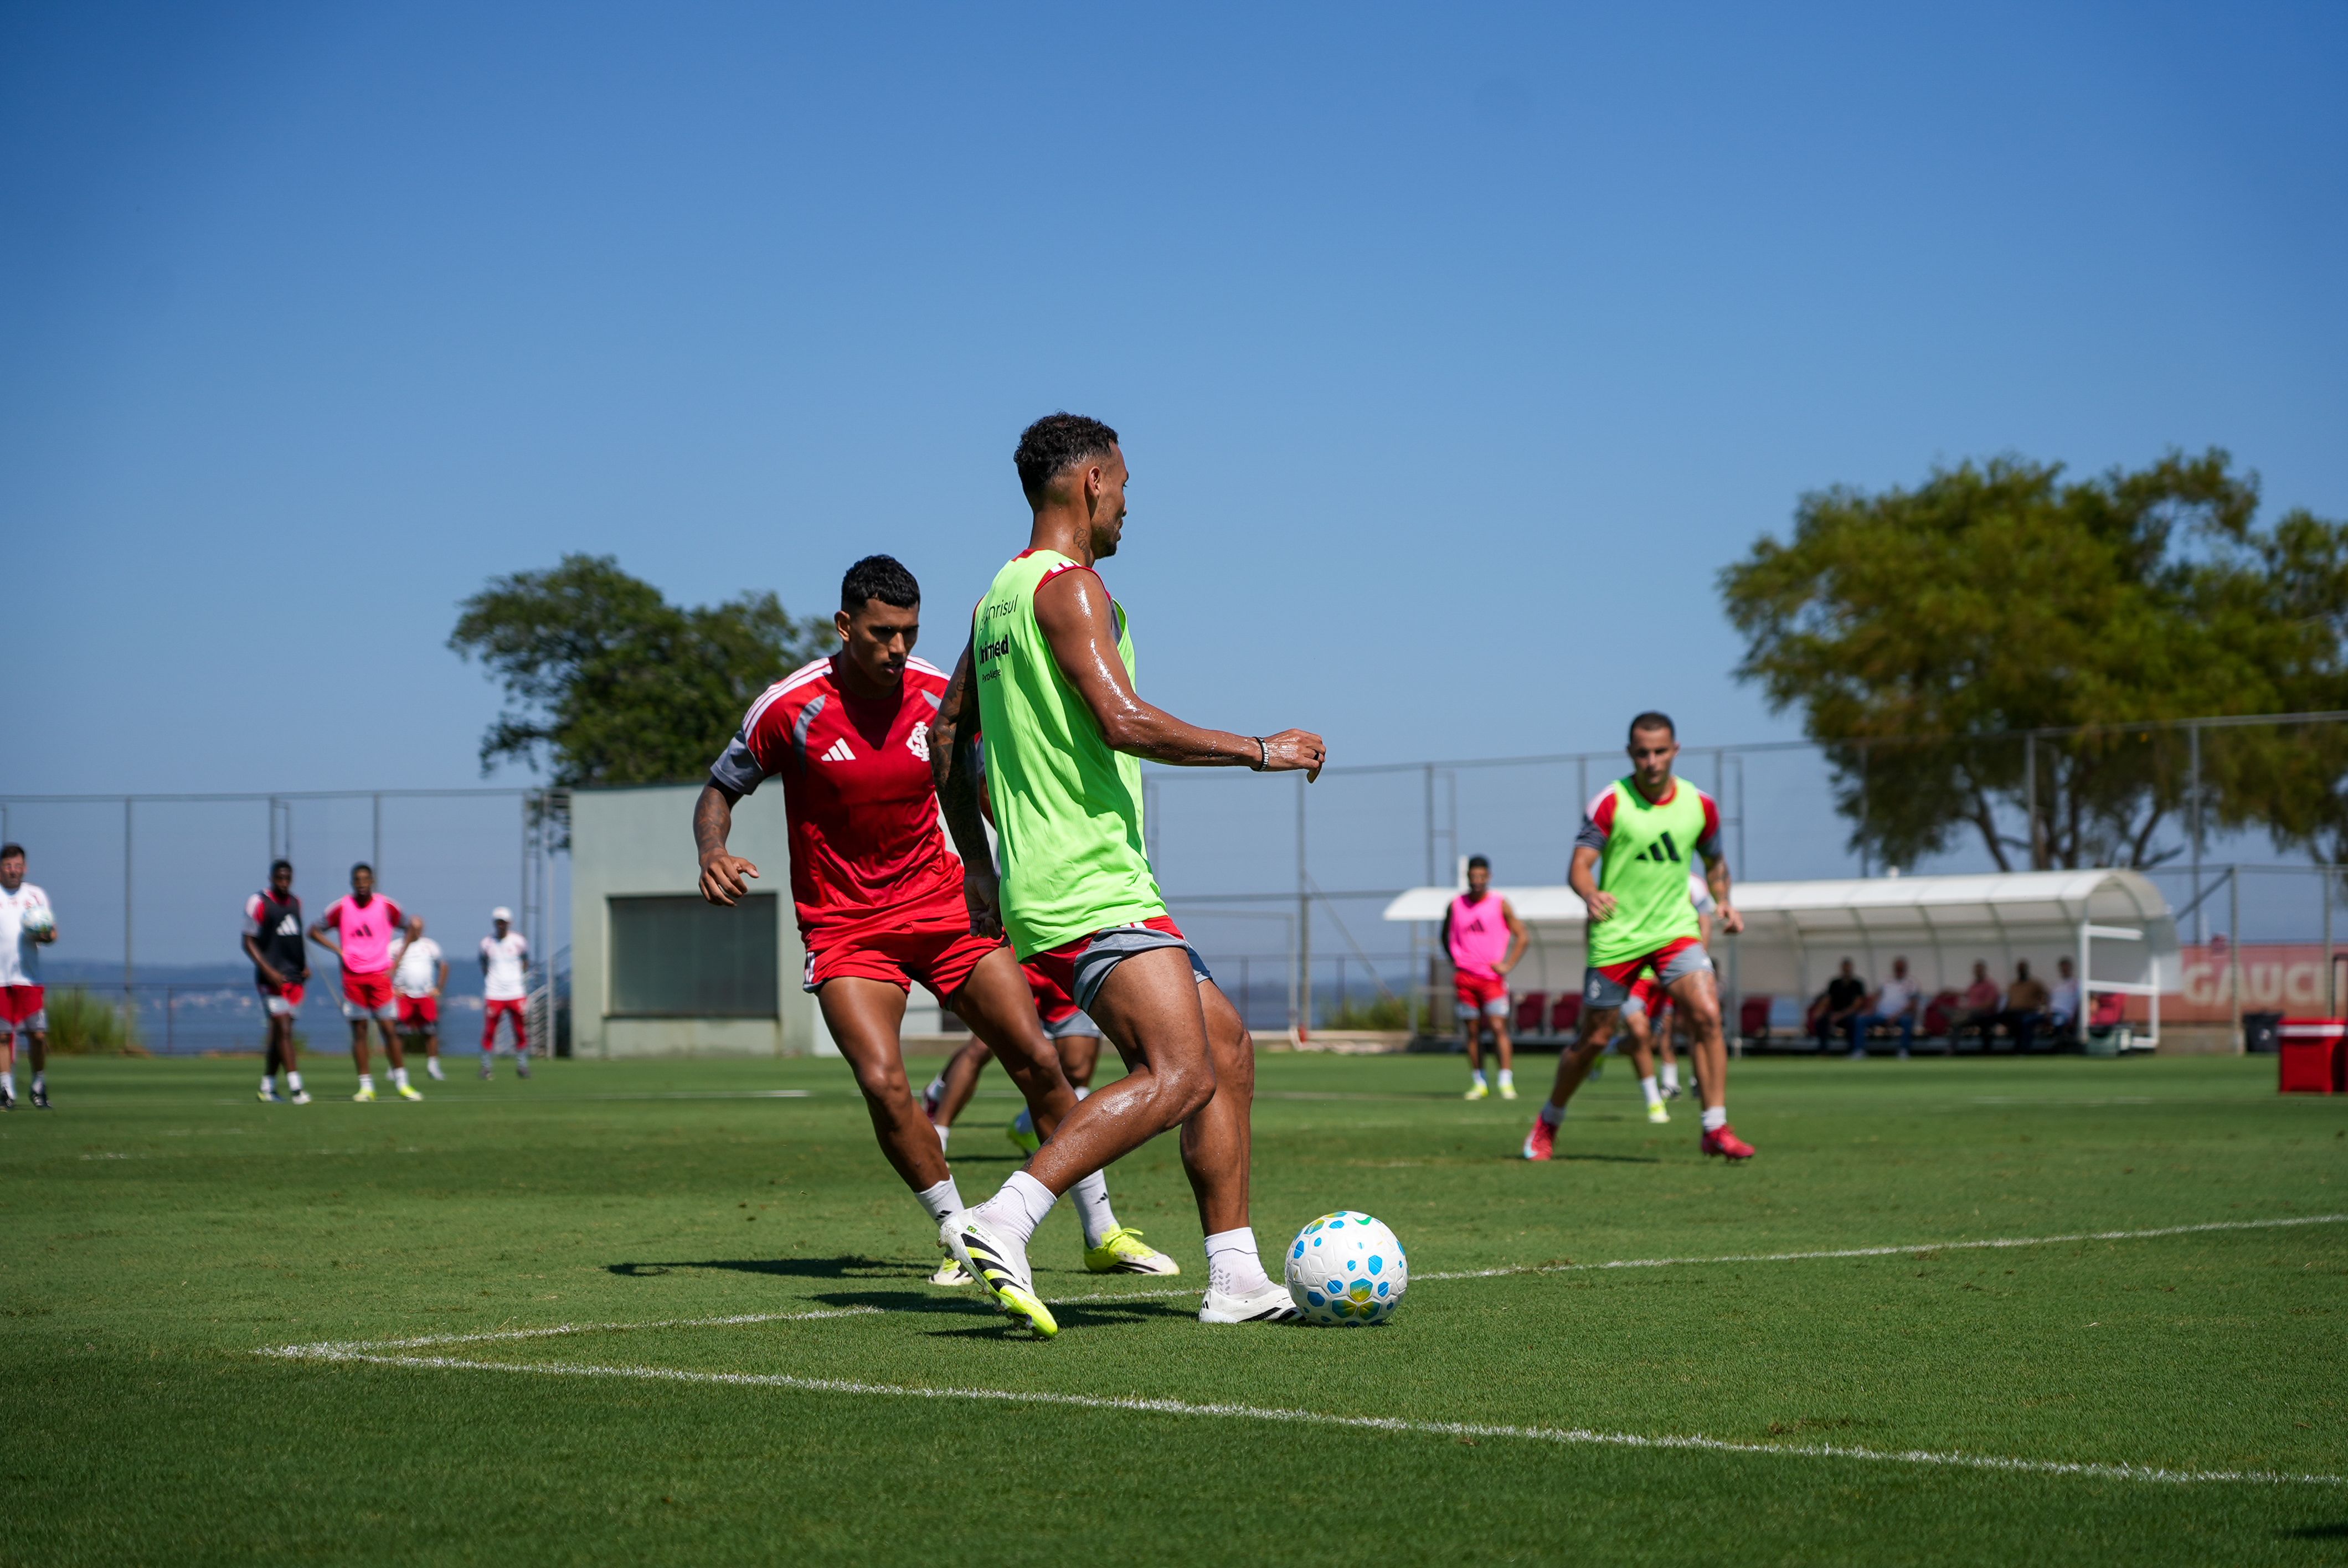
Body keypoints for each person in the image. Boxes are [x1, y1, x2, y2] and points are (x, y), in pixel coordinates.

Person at [931, 412, 1327, 1334]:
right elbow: (1124, 720)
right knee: (1180, 1071)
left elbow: (948, 735)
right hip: (1091, 881)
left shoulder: (999, 598)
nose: (1128, 508)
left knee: (1225, 1048)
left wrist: (985, 875)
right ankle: (1004, 1217)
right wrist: (1257, 749)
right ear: (1092, 483)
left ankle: (1235, 1272)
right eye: (1126, 486)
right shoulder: (1072, 590)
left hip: (1065, 884)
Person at [697, 552, 1175, 1293]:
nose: (897, 650)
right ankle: (960, 1235)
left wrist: (1009, 862)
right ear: (844, 624)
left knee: (1038, 1062)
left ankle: (1102, 1231)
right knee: (885, 1083)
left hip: (948, 912)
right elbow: (720, 790)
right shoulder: (789, 707)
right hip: (847, 930)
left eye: (910, 634)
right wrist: (714, 848)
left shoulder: (936, 696)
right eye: (882, 633)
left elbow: (986, 780)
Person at [1523, 712, 1753, 1162]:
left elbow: (1715, 863)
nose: (1652, 761)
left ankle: (1715, 1127)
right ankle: (1548, 1120)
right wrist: (1590, 894)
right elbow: (1579, 866)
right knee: (1594, 1039)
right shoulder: (1611, 802)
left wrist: (1723, 899)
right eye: (1643, 752)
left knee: (1707, 1014)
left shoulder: (1700, 805)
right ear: (1631, 753)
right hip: (1618, 936)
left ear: (1676, 750)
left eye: (1660, 751)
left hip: (1674, 930)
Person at [308, 864, 421, 1101]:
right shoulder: (341, 908)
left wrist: (397, 961)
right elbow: (313, 931)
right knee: (359, 1032)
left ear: (373, 882)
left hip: (380, 975)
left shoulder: (387, 906)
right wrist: (339, 951)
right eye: (357, 880)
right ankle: (366, 1087)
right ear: (352, 883)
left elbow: (411, 928)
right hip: (353, 977)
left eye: (365, 880)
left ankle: (403, 1084)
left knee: (389, 1030)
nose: (361, 884)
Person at [1444, 856, 1526, 1100]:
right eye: (1473, 877)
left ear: (1488, 877)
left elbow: (1523, 936)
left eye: (1482, 876)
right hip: (1465, 978)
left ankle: (1506, 1081)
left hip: (1492, 978)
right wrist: (1456, 959)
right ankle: (1479, 1081)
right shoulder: (1456, 905)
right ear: (1468, 877)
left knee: (1499, 1027)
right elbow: (1444, 935)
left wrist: (1508, 964)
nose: (1477, 881)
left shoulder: (1500, 904)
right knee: (1472, 1031)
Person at [242, 859, 310, 1105]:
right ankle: (297, 1089)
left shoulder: (296, 902)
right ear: (271, 878)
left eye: (287, 879)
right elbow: (248, 942)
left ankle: (267, 1087)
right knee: (284, 1030)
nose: (283, 883)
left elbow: (294, 938)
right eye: (279, 878)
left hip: (294, 978)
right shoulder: (259, 902)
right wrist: (269, 970)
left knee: (281, 1034)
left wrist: (303, 967)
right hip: (270, 979)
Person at [0, 844, 57, 1111]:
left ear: (25, 868)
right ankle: (6, 1089)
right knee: (2, 1036)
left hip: (30, 980)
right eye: (8, 865)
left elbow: (52, 935)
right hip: (1, 980)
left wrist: (44, 935)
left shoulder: (36, 896)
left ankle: (38, 1085)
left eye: (18, 865)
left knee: (37, 1036)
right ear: (2, 867)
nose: (13, 870)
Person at [390, 916, 449, 1081]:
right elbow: (386, 969)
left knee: (430, 1032)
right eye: (413, 928)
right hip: (403, 996)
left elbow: (444, 966)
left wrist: (439, 988)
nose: (416, 931)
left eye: (419, 928)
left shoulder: (430, 946)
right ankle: (395, 1067)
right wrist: (391, 989)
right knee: (398, 1033)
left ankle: (433, 1067)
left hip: (425, 996)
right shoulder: (395, 947)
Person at [479, 907, 532, 1078]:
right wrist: (493, 980)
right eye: (498, 922)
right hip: (494, 993)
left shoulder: (518, 941)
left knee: (520, 1030)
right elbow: (483, 963)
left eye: (504, 922)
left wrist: (517, 979)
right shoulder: (487, 943)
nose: (501, 926)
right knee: (490, 1030)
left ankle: (522, 1066)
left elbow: (525, 961)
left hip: (516, 991)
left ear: (509, 923)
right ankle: (486, 1067)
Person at [1846, 955, 1920, 1060]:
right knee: (1860, 1019)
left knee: (1907, 1020)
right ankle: (1859, 1050)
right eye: (1897, 968)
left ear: (1905, 968)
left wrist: (1896, 1016)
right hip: (1881, 1015)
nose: (1899, 970)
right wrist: (1871, 1010)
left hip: (1900, 1016)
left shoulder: (1912, 983)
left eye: (1901, 968)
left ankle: (1904, 1050)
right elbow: (1876, 997)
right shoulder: (1886, 981)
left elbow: (1913, 1004)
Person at [1811, 959, 1868, 1054]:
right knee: (1822, 1020)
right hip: (1836, 1014)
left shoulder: (1858, 984)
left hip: (1849, 1015)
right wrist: (1819, 1011)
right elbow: (1827, 999)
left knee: (1853, 1021)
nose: (1847, 970)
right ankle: (1823, 1050)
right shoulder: (1835, 983)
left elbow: (1856, 1005)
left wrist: (1840, 1015)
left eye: (1848, 968)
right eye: (1845, 968)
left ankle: (1853, 1050)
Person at [2004, 960, 2052, 1051]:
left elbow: (2046, 996)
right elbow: (2008, 1001)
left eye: (2023, 969)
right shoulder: (2013, 985)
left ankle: (2023, 1049)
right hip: (2012, 1012)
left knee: (2024, 1021)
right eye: (2019, 969)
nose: (2021, 971)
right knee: (1993, 1018)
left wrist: (2047, 1010)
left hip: (2027, 1011)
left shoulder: (2035, 984)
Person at [1959, 961, 2004, 1048]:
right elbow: (1966, 996)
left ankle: (1986, 1049)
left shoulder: (1990, 985)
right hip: (1972, 1015)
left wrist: (1974, 1009)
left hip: (1986, 1015)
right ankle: (1952, 1049)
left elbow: (1991, 1004)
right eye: (1976, 970)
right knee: (1957, 1021)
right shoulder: (1972, 986)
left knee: (1984, 1022)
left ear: (1984, 971)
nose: (1978, 972)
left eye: (1979, 970)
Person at [2048, 956, 2082, 1045]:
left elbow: (2079, 1002)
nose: (2064, 970)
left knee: (2058, 1021)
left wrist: (2075, 1019)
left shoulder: (2076, 984)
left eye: (2066, 967)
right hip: (2051, 1012)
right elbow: (2050, 1001)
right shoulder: (2057, 984)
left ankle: (2059, 1045)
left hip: (2065, 1014)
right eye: (2062, 968)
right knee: (2028, 1020)